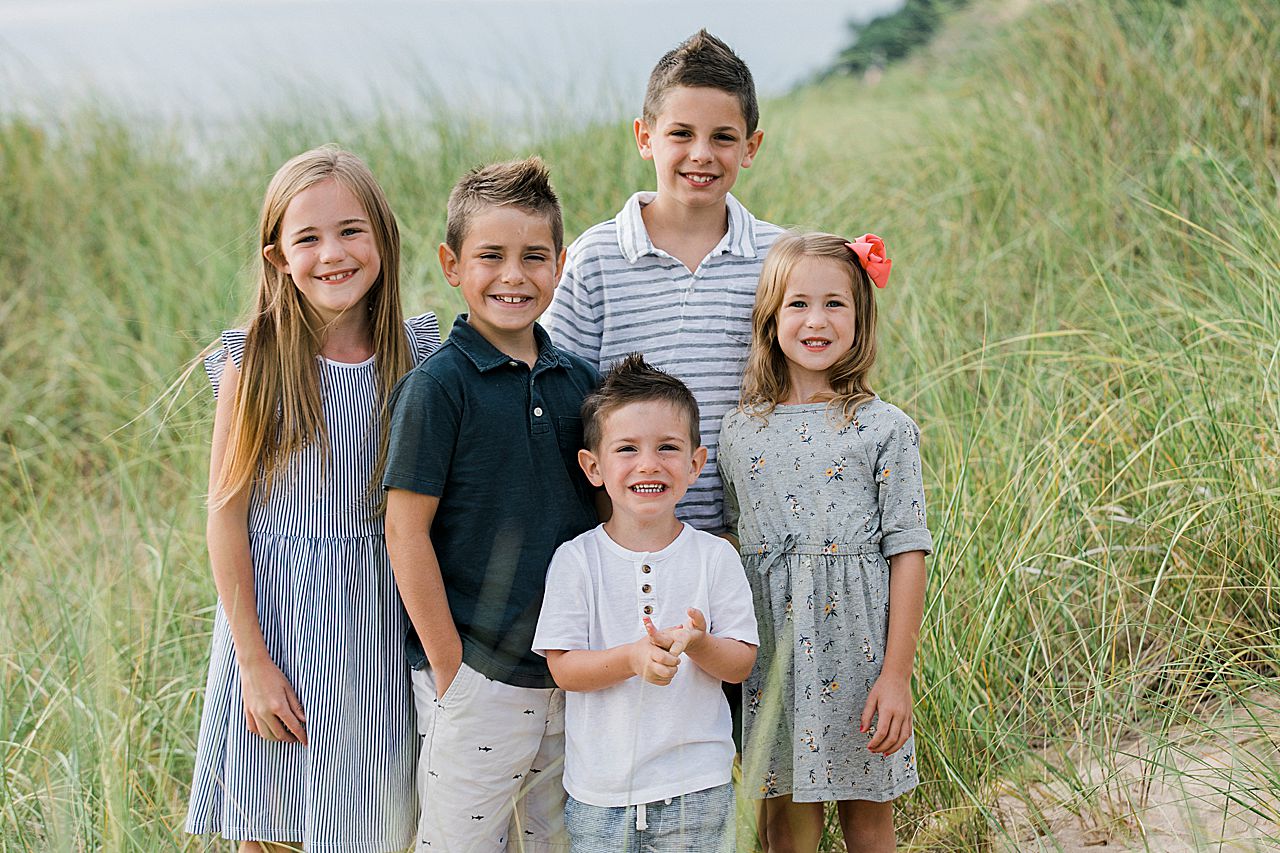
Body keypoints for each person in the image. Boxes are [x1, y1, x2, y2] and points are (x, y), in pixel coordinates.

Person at [186, 145, 440, 852]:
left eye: (351, 230)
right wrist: (254, 664)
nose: (333, 253)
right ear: (277, 256)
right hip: (281, 626)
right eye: (308, 238)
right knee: (274, 830)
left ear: (384, 237)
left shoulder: (416, 355)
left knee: (380, 825)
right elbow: (225, 516)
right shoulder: (256, 361)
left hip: (381, 625)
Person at [383, 157, 599, 852]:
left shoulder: (582, 383)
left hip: (570, 678)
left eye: (534, 256)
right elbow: (404, 530)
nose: (514, 275)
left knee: (555, 842)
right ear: (452, 264)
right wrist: (451, 669)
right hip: (476, 676)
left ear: (560, 264)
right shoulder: (438, 388)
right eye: (491, 256)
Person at [718, 232, 933, 853]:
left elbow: (908, 552)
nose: (817, 321)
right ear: (770, 318)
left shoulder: (885, 428)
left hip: (860, 654)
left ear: (860, 318)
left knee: (868, 814)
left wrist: (896, 675)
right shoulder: (740, 431)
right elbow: (737, 545)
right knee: (783, 822)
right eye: (798, 304)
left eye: (836, 304)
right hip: (772, 660)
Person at [543, 28, 780, 536]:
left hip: (751, 536)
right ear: (645, 138)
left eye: (722, 137)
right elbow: (562, 398)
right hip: (627, 536)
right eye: (680, 134)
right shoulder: (596, 258)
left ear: (750, 146)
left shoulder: (778, 258)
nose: (701, 154)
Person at [533, 354, 758, 853]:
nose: (649, 464)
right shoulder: (577, 560)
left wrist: (700, 644)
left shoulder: (714, 557)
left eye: (668, 447)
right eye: (627, 449)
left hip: (698, 789)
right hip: (601, 795)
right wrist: (634, 658)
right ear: (594, 467)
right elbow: (564, 668)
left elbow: (741, 662)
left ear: (696, 464)